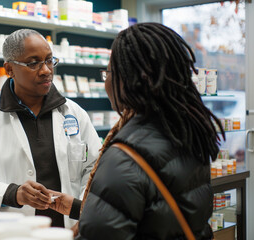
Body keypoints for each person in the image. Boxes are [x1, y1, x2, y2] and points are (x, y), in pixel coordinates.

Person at [49, 23, 224, 239]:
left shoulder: (125, 156)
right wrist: (82, 208)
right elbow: (158, 214)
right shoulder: (188, 134)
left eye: (108, 73)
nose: (107, 82)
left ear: (127, 79)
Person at [0, 29, 102, 228]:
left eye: (49, 60)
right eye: (33, 63)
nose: (46, 70)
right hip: (12, 231)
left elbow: (95, 170)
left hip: (67, 231)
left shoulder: (74, 113)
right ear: (9, 69)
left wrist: (80, 210)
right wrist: (13, 194)